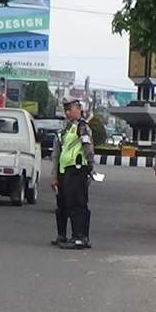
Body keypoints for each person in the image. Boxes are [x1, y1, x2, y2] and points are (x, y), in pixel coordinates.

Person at [51, 97, 95, 250]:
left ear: (78, 109)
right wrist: (55, 176)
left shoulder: (82, 127)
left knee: (78, 205)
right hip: (66, 171)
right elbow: (58, 153)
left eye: (70, 109)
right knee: (64, 204)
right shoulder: (67, 128)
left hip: (77, 170)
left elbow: (88, 147)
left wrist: (91, 167)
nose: (68, 112)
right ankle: (65, 235)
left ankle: (80, 237)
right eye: (66, 110)